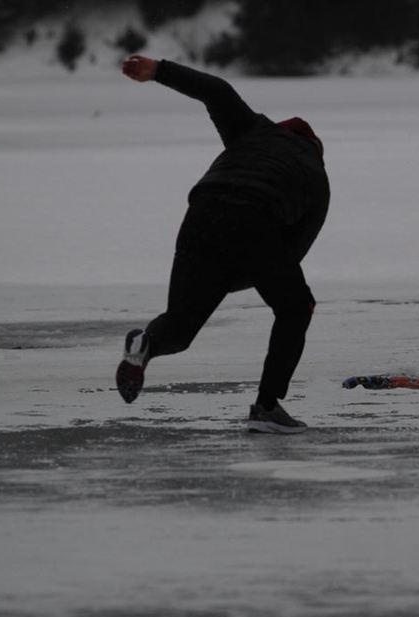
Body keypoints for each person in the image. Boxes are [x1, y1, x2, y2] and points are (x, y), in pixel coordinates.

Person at [115, 55, 329, 434]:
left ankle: (145, 344)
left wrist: (158, 70)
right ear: (315, 146)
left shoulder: (252, 130)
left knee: (179, 326)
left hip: (201, 214)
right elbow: (293, 249)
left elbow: (216, 91)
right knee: (296, 306)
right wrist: (242, 273)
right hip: (254, 217)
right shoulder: (315, 173)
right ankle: (267, 406)